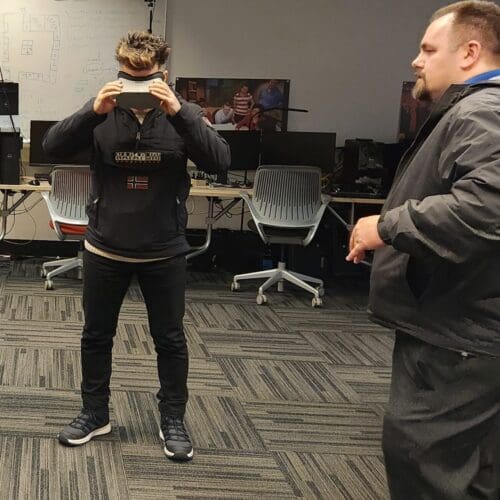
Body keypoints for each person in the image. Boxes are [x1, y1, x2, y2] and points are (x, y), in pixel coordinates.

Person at [43, 31, 230, 461]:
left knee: (169, 339)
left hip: (163, 250)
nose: (137, 90)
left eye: (145, 81)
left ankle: (173, 419)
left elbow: (220, 163)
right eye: (129, 79)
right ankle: (95, 413)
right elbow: (52, 146)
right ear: (119, 75)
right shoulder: (103, 115)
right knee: (95, 335)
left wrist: (179, 111)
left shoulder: (184, 115)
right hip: (105, 247)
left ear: (162, 75)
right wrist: (93, 112)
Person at [346, 2, 500, 498]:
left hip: (459, 335)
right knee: (476, 471)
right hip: (467, 325)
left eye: (429, 48)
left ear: (471, 52)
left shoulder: (483, 110)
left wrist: (387, 226)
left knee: (422, 462)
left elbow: (488, 207)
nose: (416, 60)